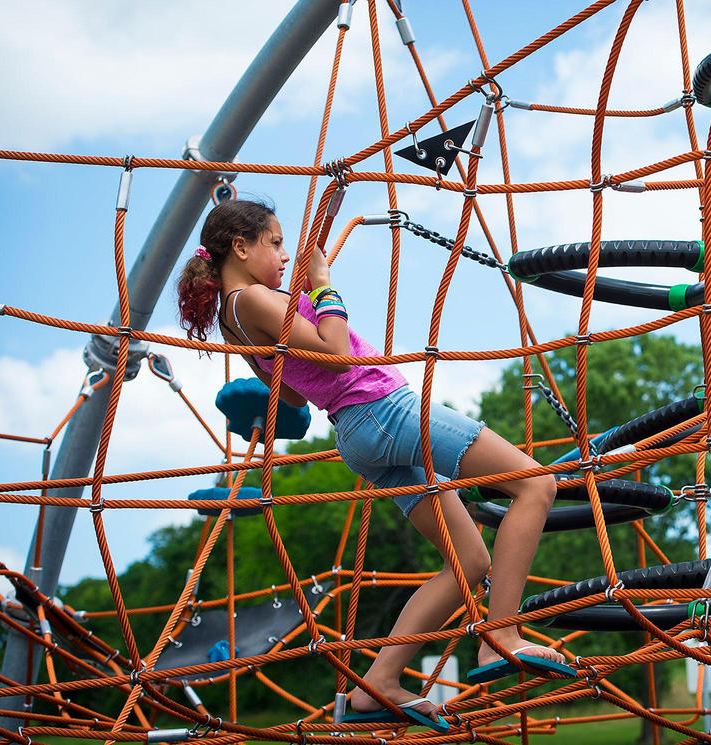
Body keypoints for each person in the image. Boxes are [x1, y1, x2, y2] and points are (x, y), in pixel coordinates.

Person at [176, 199, 573, 730]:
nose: (284, 254)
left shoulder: (238, 320)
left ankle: (379, 683)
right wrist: (320, 286)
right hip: (382, 409)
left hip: (357, 434)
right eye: (274, 242)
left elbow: (292, 395)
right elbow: (337, 353)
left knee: (468, 562)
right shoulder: (253, 300)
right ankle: (500, 635)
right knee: (534, 484)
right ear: (241, 247)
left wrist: (300, 315)